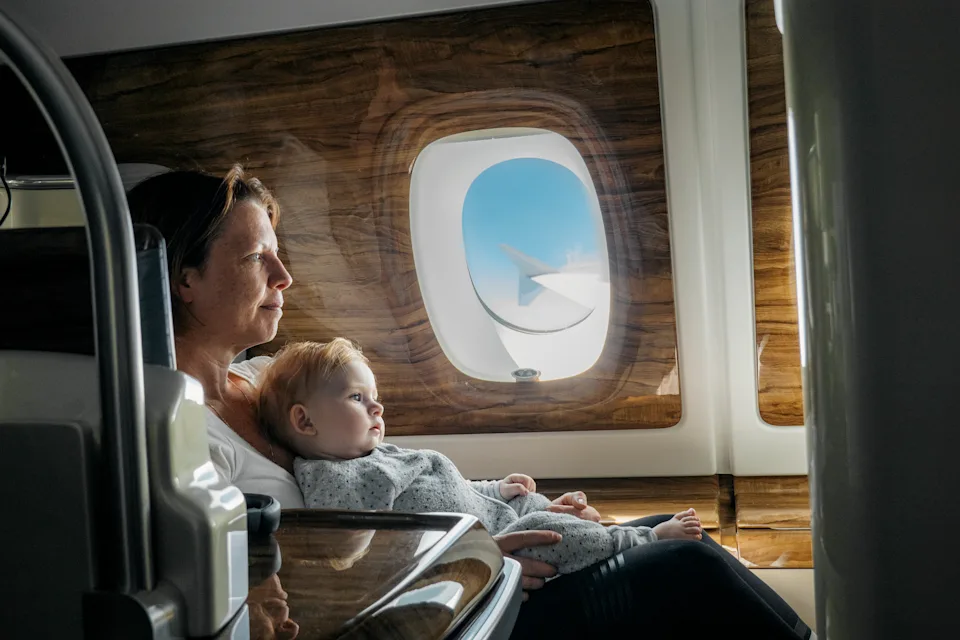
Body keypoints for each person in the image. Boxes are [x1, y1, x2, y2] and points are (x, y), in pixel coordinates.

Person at [127, 166, 813, 639]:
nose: (285, 276)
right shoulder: (179, 436)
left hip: (473, 562)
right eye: (257, 259)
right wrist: (481, 556)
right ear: (181, 277)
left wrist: (513, 513)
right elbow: (289, 593)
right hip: (438, 607)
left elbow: (395, 477)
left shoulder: (266, 376)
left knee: (674, 528)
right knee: (685, 569)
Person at [255, 338, 704, 575]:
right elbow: (359, 552)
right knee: (553, 532)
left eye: (374, 396)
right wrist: (466, 556)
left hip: (494, 513)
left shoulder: (377, 454)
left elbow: (453, 488)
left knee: (543, 509)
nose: (377, 408)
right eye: (357, 397)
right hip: (488, 541)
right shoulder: (334, 480)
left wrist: (498, 488)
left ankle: (597, 527)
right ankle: (641, 540)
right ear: (305, 421)